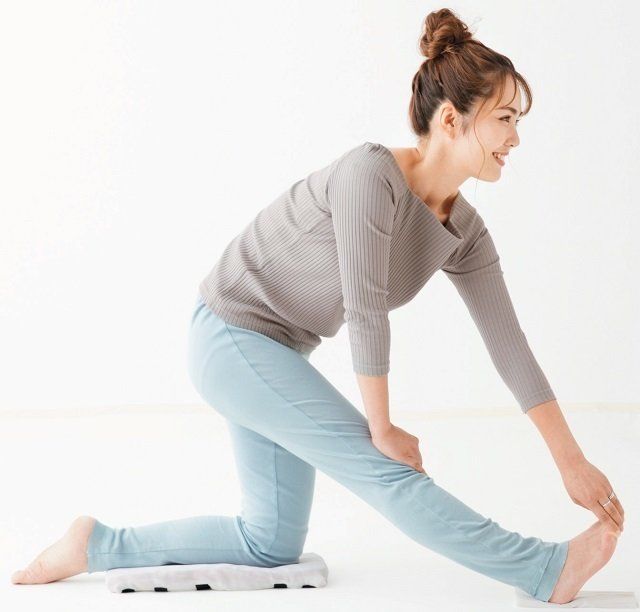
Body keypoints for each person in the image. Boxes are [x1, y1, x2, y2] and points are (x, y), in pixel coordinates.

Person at [11, 7, 624, 605]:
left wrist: (570, 461)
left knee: (269, 542)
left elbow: (510, 348)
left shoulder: (465, 231)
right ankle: (542, 569)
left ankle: (96, 545)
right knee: (385, 470)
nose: (515, 137)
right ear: (451, 120)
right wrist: (381, 427)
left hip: (277, 353)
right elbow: (365, 307)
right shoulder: (370, 175)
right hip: (230, 335)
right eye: (505, 118)